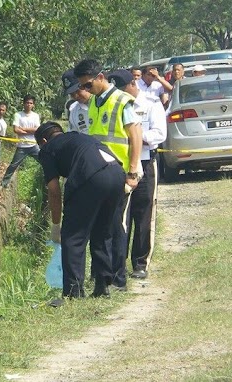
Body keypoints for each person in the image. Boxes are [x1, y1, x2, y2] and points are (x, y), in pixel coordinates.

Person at [74, 58, 143, 291]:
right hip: (100, 174)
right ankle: (106, 277)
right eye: (82, 86)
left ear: (101, 77)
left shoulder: (123, 101)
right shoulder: (94, 102)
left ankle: (119, 278)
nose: (84, 90)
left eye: (87, 85)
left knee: (116, 227)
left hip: (121, 173)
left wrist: (132, 172)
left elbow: (135, 137)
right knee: (103, 227)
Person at [34, 121, 125, 298]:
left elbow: (53, 189)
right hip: (117, 174)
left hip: (91, 176)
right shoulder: (80, 137)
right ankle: (102, 284)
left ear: (43, 140)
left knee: (73, 235)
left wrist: (55, 225)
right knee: (103, 230)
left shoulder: (47, 149)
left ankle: (74, 290)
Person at [108, 69, 166, 281]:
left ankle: (140, 263)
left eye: (122, 90)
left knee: (144, 214)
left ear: (133, 84)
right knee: (121, 216)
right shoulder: (116, 105)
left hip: (145, 163)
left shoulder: (151, 104)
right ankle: (118, 264)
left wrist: (136, 137)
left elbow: (160, 134)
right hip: (122, 165)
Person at [0, 95, 41, 188]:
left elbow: (37, 129)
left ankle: (49, 181)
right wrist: (30, 131)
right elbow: (16, 129)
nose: (29, 105)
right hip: (22, 146)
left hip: (33, 145)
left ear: (33, 105)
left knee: (44, 161)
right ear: (24, 103)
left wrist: (24, 129)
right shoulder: (18, 115)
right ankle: (3, 184)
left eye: (31, 103)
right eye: (27, 103)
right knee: (13, 165)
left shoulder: (35, 116)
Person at [62, 69, 91, 134]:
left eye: (78, 91)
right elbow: (73, 136)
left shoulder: (101, 102)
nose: (76, 96)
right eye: (72, 94)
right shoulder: (74, 110)